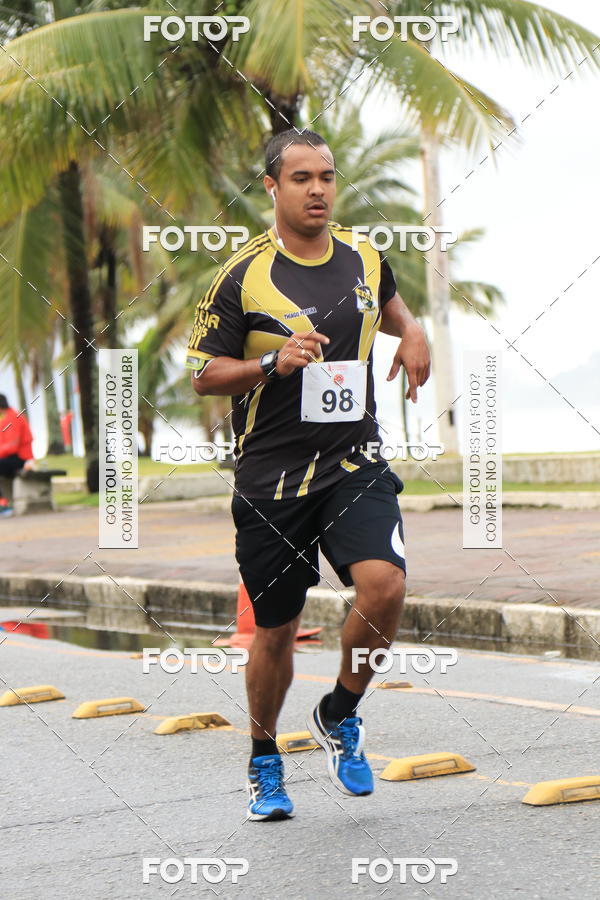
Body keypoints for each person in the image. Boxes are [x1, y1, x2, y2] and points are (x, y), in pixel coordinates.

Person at [186, 129, 431, 821]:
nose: (318, 189)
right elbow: (204, 373)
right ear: (272, 187)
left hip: (353, 461)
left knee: (384, 585)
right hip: (271, 480)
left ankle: (341, 712)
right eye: (302, 178)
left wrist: (410, 332)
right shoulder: (242, 276)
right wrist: (271, 364)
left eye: (326, 176)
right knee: (275, 629)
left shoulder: (362, 253)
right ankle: (264, 760)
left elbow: (387, 301)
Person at [0, 394, 35, 517]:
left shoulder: (12, 417)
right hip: (10, 458)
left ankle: (3, 504)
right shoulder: (5, 418)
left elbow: (12, 446)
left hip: (21, 459)